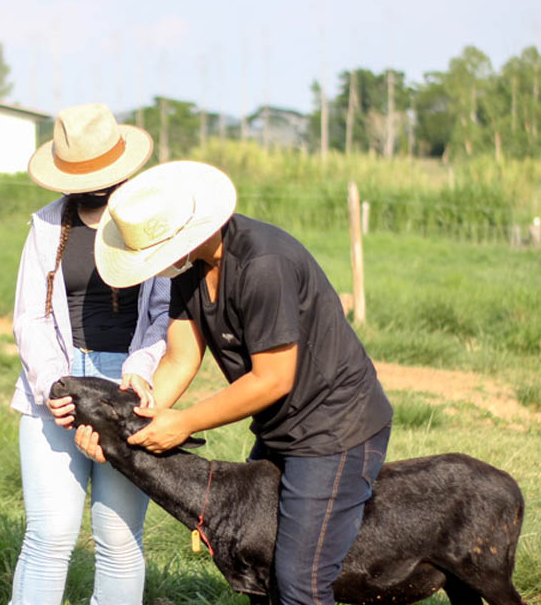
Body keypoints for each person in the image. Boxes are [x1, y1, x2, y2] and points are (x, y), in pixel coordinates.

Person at [87, 160, 394, 605]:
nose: (156, 266)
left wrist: (186, 422)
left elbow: (273, 379)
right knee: (260, 570)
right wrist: (130, 424)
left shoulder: (264, 263)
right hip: (280, 429)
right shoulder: (188, 267)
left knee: (299, 585)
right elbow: (179, 358)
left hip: (337, 427)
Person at [9, 103, 170, 605]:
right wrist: (55, 384)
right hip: (58, 380)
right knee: (50, 535)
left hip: (127, 383)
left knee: (119, 538)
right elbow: (30, 314)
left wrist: (139, 372)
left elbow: (165, 313)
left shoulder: (149, 219)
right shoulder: (47, 225)